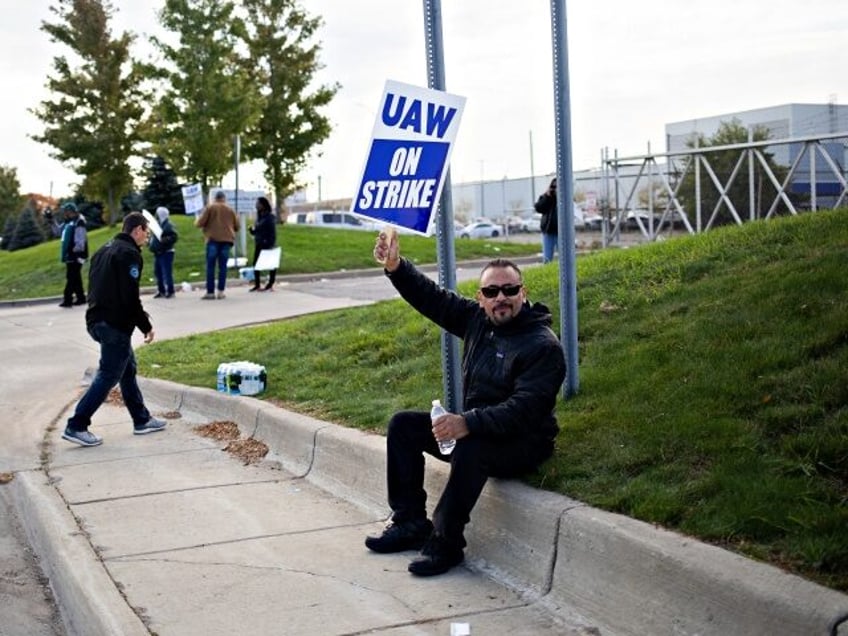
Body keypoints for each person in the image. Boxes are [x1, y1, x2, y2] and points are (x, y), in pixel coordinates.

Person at [365, 230, 567, 576]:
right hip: (475, 428)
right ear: (481, 297)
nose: (501, 298)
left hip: (523, 442)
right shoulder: (477, 319)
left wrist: (466, 423)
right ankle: (411, 523)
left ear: (523, 293)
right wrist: (396, 266)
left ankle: (446, 543)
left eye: (509, 290)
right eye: (491, 292)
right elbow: (432, 298)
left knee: (472, 449)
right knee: (404, 426)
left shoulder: (543, 346)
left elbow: (523, 410)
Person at [62, 212, 167, 447]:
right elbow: (130, 298)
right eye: (146, 232)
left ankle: (141, 419)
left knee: (127, 369)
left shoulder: (104, 249)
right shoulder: (129, 254)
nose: (146, 237)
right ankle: (77, 425)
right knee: (109, 374)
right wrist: (146, 326)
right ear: (137, 230)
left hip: (96, 319)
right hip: (114, 324)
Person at [195, 190, 239, 300]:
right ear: (224, 198)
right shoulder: (230, 210)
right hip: (227, 240)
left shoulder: (210, 208)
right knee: (222, 267)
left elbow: (200, 223)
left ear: (215, 198)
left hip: (213, 239)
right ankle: (221, 291)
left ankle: (210, 292)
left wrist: (197, 221)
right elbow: (237, 226)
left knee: (211, 266)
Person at [58, 202, 89, 307]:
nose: (64, 213)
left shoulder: (79, 222)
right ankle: (81, 298)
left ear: (70, 212)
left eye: (65, 211)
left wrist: (73, 252)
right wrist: (50, 221)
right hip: (71, 255)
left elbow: (80, 241)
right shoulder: (69, 222)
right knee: (75, 277)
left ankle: (68, 300)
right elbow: (58, 231)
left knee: (71, 277)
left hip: (76, 255)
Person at [247, 196, 277, 292]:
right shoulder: (259, 217)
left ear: (263, 205)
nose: (256, 205)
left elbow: (272, 232)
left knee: (270, 264)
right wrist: (252, 231)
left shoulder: (269, 217)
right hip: (259, 243)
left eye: (258, 203)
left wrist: (270, 243)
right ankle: (257, 284)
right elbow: (258, 230)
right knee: (256, 264)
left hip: (267, 243)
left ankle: (270, 283)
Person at [149, 206, 178, 298]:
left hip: (166, 252)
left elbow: (174, 237)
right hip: (158, 252)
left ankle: (170, 290)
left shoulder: (168, 225)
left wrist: (164, 240)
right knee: (158, 272)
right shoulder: (158, 224)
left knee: (167, 272)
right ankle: (161, 290)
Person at [534, 177, 558, 263]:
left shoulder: (565, 198)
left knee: (564, 258)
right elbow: (538, 208)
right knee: (547, 258)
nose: (555, 190)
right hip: (548, 231)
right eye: (553, 187)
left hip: (562, 232)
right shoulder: (547, 197)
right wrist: (548, 196)